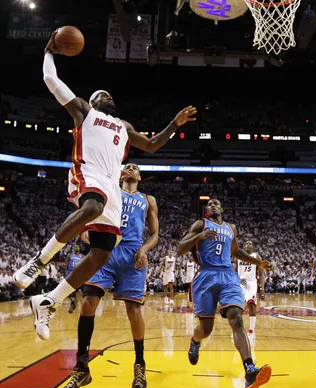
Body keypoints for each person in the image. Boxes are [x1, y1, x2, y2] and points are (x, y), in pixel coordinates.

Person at [12, 30, 196, 340]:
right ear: (94, 101)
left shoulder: (124, 127)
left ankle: (49, 301)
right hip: (88, 174)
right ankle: (37, 262)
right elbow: (52, 82)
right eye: (100, 94)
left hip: (111, 189)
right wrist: (48, 51)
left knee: (101, 255)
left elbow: (150, 146)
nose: (105, 95)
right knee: (92, 205)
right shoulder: (85, 112)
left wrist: (173, 126)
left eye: (108, 95)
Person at [59, 163, 158, 388]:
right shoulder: (110, 189)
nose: (131, 168)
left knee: (134, 311)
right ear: (122, 173)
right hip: (105, 248)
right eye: (128, 166)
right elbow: (90, 211)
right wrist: (85, 231)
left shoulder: (148, 200)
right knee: (86, 304)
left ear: (140, 176)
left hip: (133, 253)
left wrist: (144, 249)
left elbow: (154, 234)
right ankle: (81, 367)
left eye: (136, 167)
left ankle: (140, 365)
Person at [177, 198, 273, 388]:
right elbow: (180, 249)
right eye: (209, 204)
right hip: (206, 275)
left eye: (215, 203)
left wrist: (258, 264)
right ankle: (195, 341)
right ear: (206, 211)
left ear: (221, 209)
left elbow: (236, 252)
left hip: (228, 275)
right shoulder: (201, 224)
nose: (212, 205)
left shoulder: (231, 228)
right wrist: (199, 236)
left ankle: (249, 370)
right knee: (205, 330)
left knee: (237, 319)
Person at [235, 240, 265, 340]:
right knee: (237, 307)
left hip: (252, 283)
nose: (248, 245)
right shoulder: (238, 257)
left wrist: (262, 289)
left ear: (253, 247)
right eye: (246, 243)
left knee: (251, 305)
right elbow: (234, 273)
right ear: (244, 246)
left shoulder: (256, 257)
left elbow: (261, 274)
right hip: (240, 283)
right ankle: (238, 331)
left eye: (250, 244)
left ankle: (251, 331)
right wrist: (238, 280)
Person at [64, 245, 84, 313]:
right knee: (68, 290)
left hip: (78, 273)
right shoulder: (70, 255)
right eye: (75, 249)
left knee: (73, 289)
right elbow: (66, 263)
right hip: (69, 272)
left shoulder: (82, 256)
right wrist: (66, 268)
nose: (76, 250)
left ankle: (73, 303)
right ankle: (73, 302)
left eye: (77, 249)